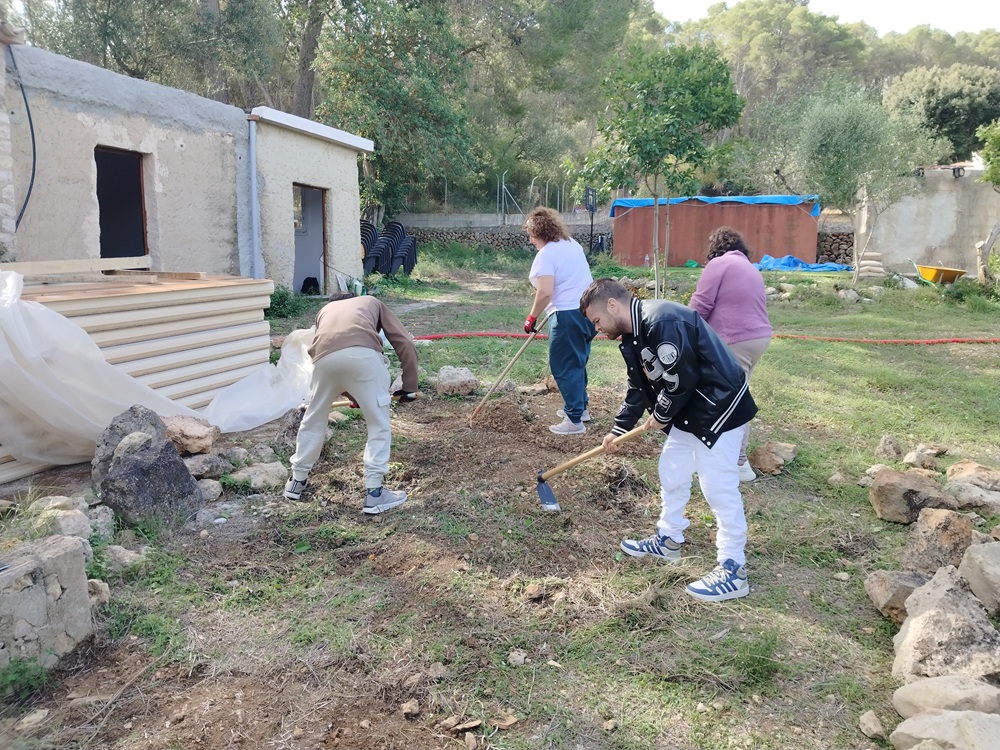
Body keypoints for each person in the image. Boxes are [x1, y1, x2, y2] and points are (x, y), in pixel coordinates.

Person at [579, 278, 757, 602]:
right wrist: (619, 429)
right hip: (690, 408)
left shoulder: (662, 320)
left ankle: (733, 569)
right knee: (671, 470)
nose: (597, 329)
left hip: (719, 407)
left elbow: (682, 378)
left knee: (718, 488)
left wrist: (662, 414)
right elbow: (638, 386)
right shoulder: (633, 336)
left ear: (612, 306)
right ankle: (668, 540)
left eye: (597, 320)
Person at [284, 291, 419, 514]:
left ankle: (296, 481)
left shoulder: (324, 311)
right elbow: (404, 341)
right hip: (363, 357)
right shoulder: (371, 302)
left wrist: (354, 396)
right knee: (378, 423)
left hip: (322, 362)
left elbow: (337, 360)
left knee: (313, 419)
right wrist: (410, 386)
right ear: (354, 298)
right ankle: (374, 492)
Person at [689, 226, 772, 483]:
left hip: (734, 340)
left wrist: (682, 334)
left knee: (729, 401)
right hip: (758, 338)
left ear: (714, 249)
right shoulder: (750, 267)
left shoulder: (719, 264)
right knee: (737, 395)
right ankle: (735, 460)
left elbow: (700, 305)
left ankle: (737, 463)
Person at [522, 207, 596, 435]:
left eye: (532, 235)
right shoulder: (572, 244)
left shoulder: (546, 254)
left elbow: (545, 291)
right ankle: (581, 409)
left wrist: (532, 317)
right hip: (589, 312)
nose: (531, 240)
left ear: (540, 233)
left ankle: (574, 421)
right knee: (577, 362)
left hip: (567, 315)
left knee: (564, 366)